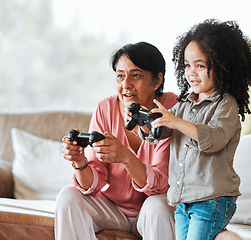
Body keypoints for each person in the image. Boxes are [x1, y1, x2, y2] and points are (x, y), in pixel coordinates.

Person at [138, 19, 251, 240]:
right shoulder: (185, 103)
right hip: (183, 200)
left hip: (212, 200)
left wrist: (175, 122)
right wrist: (146, 121)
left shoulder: (225, 104)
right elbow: (163, 130)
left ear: (223, 67)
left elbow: (214, 139)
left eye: (200, 65)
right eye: (187, 65)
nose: (191, 73)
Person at [55, 42, 178, 240]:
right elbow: (93, 184)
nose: (126, 85)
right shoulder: (105, 108)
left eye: (135, 75)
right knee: (68, 197)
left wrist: (126, 158)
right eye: (120, 75)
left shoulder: (171, 109)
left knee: (157, 207)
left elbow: (161, 185)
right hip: (113, 209)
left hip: (154, 206)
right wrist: (80, 163)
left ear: (156, 81)